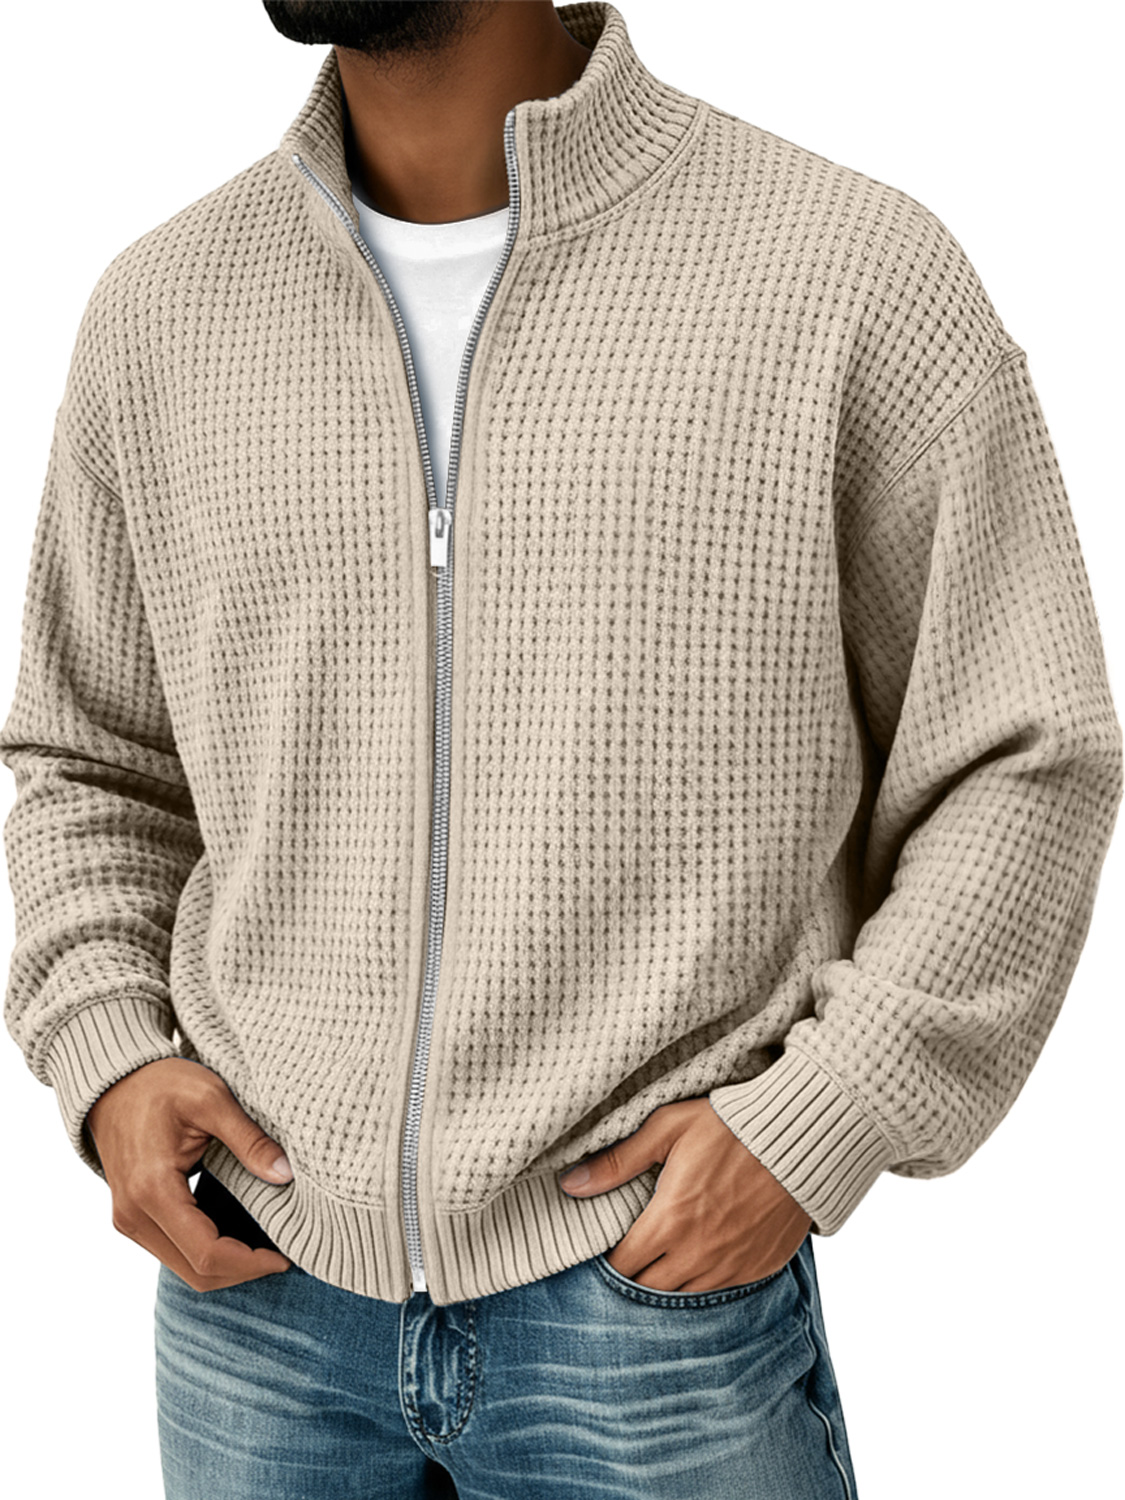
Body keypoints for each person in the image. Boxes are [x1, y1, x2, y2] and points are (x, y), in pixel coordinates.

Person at [1, 1, 1120, 1495]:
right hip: (255, 1301)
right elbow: (90, 758)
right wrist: (111, 1056)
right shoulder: (164, 312)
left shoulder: (847, 274)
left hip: (649, 1309)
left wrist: (823, 1117)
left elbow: (1025, 752)